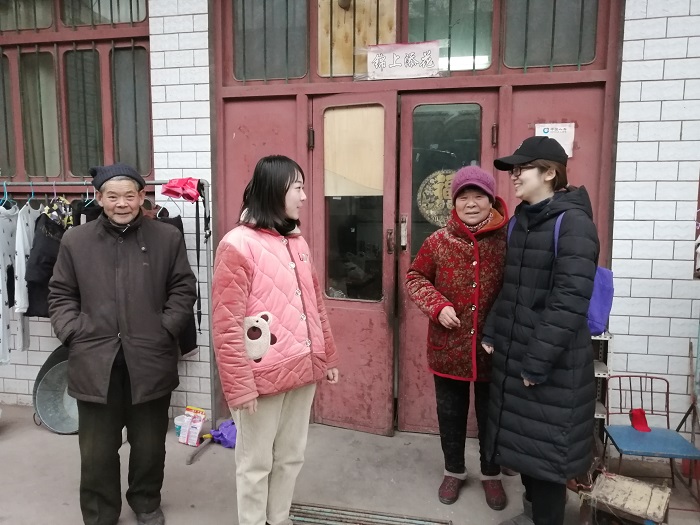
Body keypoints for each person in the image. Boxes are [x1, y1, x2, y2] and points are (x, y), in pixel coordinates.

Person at [48, 163, 197, 525]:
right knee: (97, 450)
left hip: (150, 359)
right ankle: (101, 513)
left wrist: (165, 329)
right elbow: (61, 294)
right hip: (94, 361)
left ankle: (145, 502)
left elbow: (183, 289)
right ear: (99, 198)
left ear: (142, 197)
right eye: (112, 196)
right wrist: (73, 333)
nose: (121, 203)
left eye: (130, 195)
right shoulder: (76, 241)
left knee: (149, 445)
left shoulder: (166, 238)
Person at [212, 155, 340, 525]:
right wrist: (239, 388)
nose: (304, 196)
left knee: (290, 456)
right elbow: (226, 324)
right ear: (274, 190)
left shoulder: (297, 243)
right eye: (297, 187)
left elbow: (315, 305)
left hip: (302, 369)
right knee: (255, 463)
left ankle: (278, 518)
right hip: (260, 378)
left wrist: (327, 356)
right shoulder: (237, 244)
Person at [482, 136, 599, 525]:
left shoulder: (574, 224)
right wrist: (492, 330)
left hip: (552, 365)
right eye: (513, 170)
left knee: (548, 459)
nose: (514, 176)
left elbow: (569, 301)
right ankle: (531, 516)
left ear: (550, 173)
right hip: (518, 355)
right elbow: (511, 287)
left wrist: (536, 362)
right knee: (526, 449)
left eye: (522, 169)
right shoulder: (520, 221)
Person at [406, 166, 509, 509]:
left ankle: (492, 474)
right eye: (464, 197)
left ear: (491, 200)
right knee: (450, 412)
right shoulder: (438, 241)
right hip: (448, 346)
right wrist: (437, 306)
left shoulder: (507, 240)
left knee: (492, 415)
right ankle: (454, 470)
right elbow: (415, 278)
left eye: (479, 196)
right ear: (454, 203)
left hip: (493, 347)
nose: (471, 203)